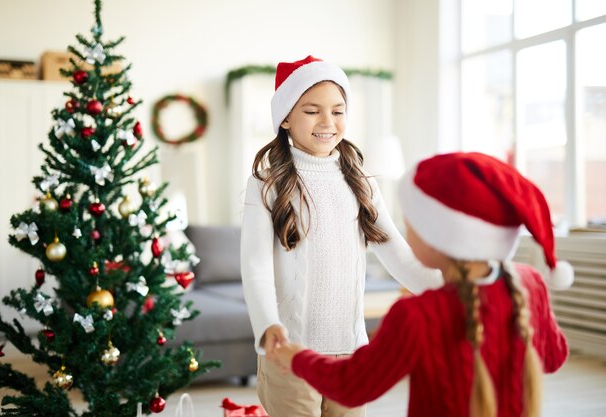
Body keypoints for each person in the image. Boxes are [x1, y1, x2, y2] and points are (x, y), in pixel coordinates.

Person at [271, 152, 574, 417]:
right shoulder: (529, 284)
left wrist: (296, 357)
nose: (406, 230)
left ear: (436, 237)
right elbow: (554, 357)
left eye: (411, 222)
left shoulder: (417, 316)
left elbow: (351, 385)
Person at [240, 55, 443, 417]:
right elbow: (256, 266)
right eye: (312, 111)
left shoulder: (361, 183)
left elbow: (397, 254)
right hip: (290, 352)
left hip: (351, 355)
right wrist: (267, 323)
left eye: (338, 111)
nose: (327, 122)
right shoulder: (266, 184)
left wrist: (451, 288)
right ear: (285, 118)